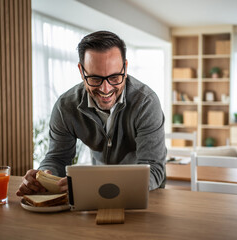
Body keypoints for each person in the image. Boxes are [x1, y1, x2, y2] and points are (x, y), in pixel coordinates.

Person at [16, 31, 166, 196]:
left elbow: (153, 170)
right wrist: (42, 176)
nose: (105, 89)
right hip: (97, 194)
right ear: (81, 71)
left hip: (145, 194)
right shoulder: (65, 106)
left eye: (115, 77)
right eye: (95, 79)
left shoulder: (146, 103)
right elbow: (57, 159)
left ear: (125, 67)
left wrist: (97, 183)